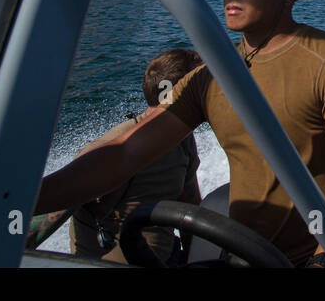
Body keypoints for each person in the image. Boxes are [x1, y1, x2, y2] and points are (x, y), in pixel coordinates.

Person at [36, 0, 325, 268]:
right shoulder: (212, 75)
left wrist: (323, 259)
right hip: (240, 253)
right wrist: (20, 199)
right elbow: (127, 152)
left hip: (305, 259)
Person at [27, 48, 204, 263]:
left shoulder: (183, 139)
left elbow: (190, 207)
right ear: (179, 92)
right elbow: (40, 219)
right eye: (199, 86)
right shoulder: (108, 152)